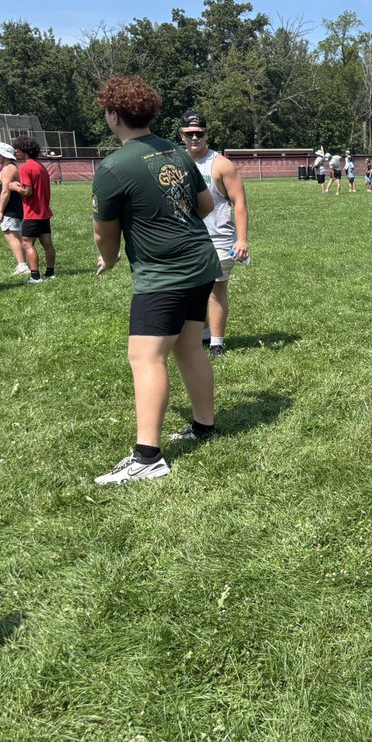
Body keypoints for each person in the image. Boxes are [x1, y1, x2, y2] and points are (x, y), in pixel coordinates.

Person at [91, 75, 220, 485]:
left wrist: (108, 260)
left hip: (164, 273)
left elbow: (104, 234)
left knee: (145, 357)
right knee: (188, 346)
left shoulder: (112, 166)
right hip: (201, 262)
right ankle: (204, 425)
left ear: (113, 115)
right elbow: (203, 205)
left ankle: (147, 457)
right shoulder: (176, 152)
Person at [180, 110, 250, 360]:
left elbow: (239, 202)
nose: (195, 138)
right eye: (190, 134)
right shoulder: (177, 162)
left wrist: (242, 240)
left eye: (199, 133)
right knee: (191, 290)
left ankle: (216, 344)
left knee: (216, 288)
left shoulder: (220, 164)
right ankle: (205, 333)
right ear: (182, 135)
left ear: (207, 134)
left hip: (219, 239)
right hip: (188, 239)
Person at [9, 136, 55, 282]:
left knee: (27, 243)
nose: (16, 152)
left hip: (32, 212)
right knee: (47, 244)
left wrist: (14, 187)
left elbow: (27, 191)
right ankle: (50, 273)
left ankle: (35, 276)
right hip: (44, 211)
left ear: (24, 151)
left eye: (17, 150)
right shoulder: (41, 167)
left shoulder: (25, 167)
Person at [0, 142, 29, 275]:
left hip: (11, 208)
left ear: (4, 155)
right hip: (17, 207)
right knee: (17, 235)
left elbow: (5, 191)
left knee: (11, 235)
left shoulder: (8, 169)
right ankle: (23, 264)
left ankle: (22, 265)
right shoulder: (13, 167)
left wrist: (0, 210)